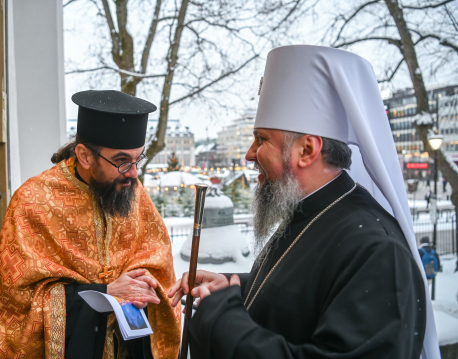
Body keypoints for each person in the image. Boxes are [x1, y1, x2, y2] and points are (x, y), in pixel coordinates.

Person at [170, 46, 439, 359]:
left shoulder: (378, 252)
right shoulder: (308, 210)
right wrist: (233, 288)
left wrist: (223, 317)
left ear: (308, 150)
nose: (248, 153)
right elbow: (297, 295)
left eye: (262, 139)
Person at [0, 90, 180, 358]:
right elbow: (14, 301)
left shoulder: (132, 192)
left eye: (138, 159)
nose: (134, 173)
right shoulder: (33, 201)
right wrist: (105, 292)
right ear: (85, 156)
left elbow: (157, 262)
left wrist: (143, 283)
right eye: (123, 161)